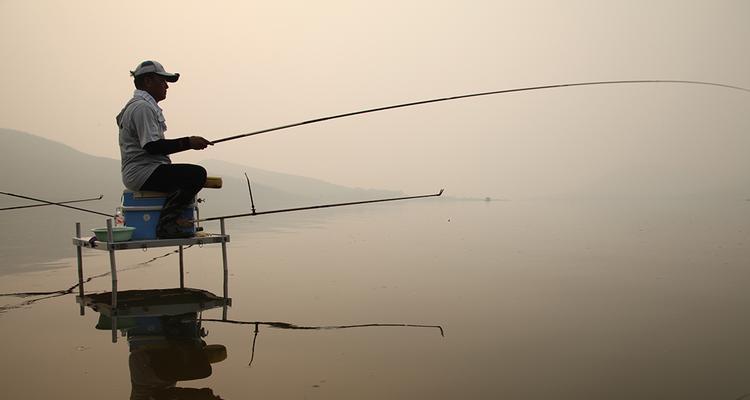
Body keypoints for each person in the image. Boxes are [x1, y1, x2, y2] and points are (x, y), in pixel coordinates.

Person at [117, 60, 212, 239]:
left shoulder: (141, 106)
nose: (166, 86)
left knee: (189, 175)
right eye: (162, 81)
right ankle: (167, 225)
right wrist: (188, 142)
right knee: (196, 174)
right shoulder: (142, 107)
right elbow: (152, 147)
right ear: (148, 81)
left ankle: (173, 222)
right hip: (142, 172)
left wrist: (189, 142)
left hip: (143, 171)